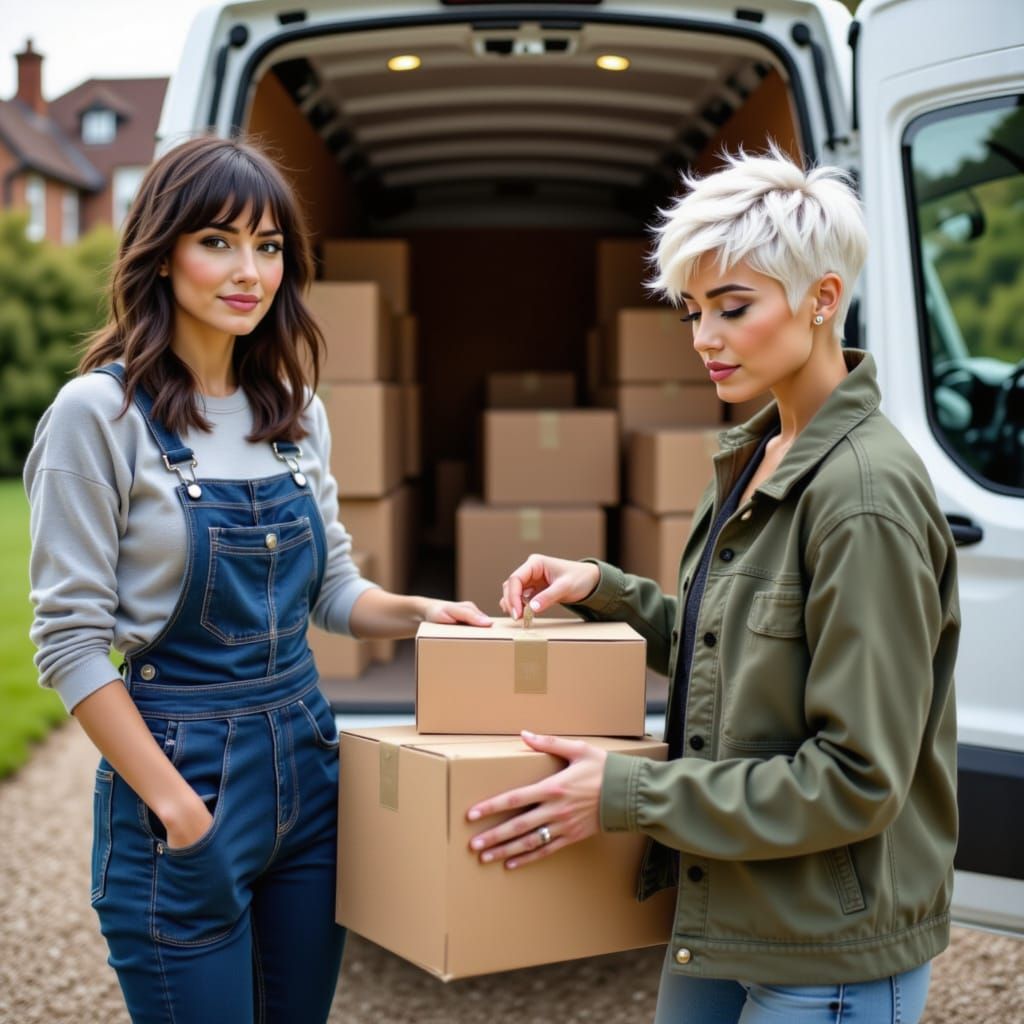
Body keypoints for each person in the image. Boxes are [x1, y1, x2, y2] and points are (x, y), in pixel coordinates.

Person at [468, 149, 959, 1024]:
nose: (703, 338)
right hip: (724, 910)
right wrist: (609, 592)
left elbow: (856, 779)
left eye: (734, 308)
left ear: (822, 298)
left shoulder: (862, 498)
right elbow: (736, 651)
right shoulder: (760, 451)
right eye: (694, 310)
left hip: (824, 946)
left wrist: (627, 792)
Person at [24, 135, 490, 1024]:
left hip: (309, 771)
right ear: (161, 254)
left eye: (269, 246)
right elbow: (70, 644)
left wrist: (428, 612)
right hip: (182, 777)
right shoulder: (100, 416)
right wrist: (181, 815)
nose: (250, 270)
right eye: (219, 241)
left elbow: (331, 592)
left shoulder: (293, 412)